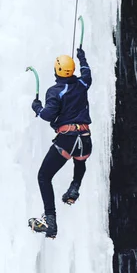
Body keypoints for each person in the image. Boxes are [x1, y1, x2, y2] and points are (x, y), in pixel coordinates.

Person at [29, 48, 92, 238]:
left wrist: (37, 107)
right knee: (80, 162)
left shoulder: (56, 91)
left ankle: (50, 221)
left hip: (67, 139)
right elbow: (87, 73)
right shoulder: (82, 84)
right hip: (85, 139)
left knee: (43, 176)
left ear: (56, 71)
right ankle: (74, 189)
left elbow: (48, 115)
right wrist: (82, 57)